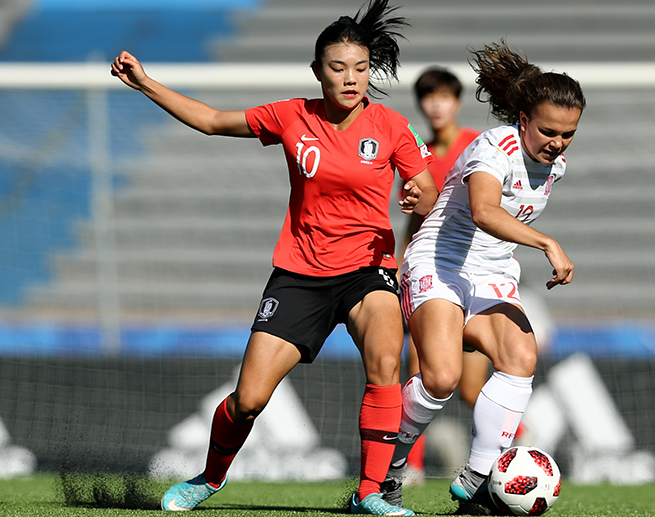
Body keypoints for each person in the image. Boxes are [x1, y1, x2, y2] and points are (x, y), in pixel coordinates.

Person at [110, 1, 437, 515]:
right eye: (338, 68)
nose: (351, 78)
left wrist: (420, 194)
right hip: (300, 275)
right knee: (249, 400)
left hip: (368, 270)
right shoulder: (292, 116)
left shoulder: (392, 126)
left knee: (384, 363)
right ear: (317, 71)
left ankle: (369, 493)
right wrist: (146, 83)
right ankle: (209, 479)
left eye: (360, 67)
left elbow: (425, 184)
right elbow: (215, 121)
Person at [383, 40, 584, 510]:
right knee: (441, 379)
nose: (557, 142)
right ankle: (387, 468)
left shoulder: (555, 167)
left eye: (569, 133)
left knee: (521, 354)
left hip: (491, 272)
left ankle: (475, 477)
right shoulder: (495, 145)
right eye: (549, 130)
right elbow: (482, 211)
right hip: (439, 263)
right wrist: (547, 243)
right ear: (523, 119)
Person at [397, 67, 485, 483]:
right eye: (428, 97)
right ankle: (407, 467)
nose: (436, 104)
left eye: (444, 96)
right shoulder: (418, 156)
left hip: (474, 273)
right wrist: (400, 262)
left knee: (470, 388)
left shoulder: (479, 146)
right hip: (431, 272)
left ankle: (513, 442)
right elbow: (414, 222)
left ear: (457, 102)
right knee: (418, 366)